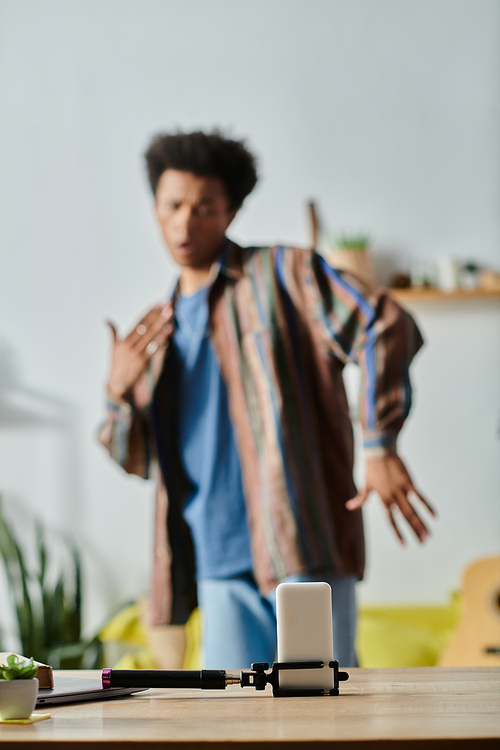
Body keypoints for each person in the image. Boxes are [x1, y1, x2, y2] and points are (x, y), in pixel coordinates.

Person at [99, 130, 435, 669]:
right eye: (173, 206)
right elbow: (135, 462)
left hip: (301, 543)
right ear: (156, 210)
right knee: (235, 728)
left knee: (323, 717)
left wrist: (380, 444)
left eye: (204, 208)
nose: (186, 223)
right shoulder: (152, 335)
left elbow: (384, 322)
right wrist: (118, 391)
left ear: (231, 212)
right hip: (212, 560)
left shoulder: (286, 274)